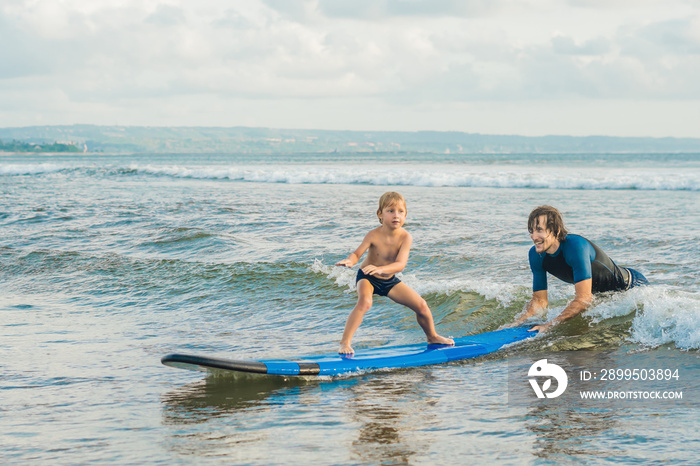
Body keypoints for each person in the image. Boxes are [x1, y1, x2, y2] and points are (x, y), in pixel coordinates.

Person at [335, 192, 454, 354]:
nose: (396, 215)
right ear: (380, 214)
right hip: (367, 277)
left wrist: (381, 269)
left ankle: (432, 336)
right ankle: (345, 343)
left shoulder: (406, 237)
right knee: (365, 303)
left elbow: (400, 264)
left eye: (400, 211)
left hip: (388, 279)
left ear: (405, 214)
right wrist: (350, 261)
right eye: (390, 211)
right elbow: (357, 254)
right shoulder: (373, 234)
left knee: (422, 306)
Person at [511, 205, 648, 333]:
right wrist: (518, 322)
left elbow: (584, 299)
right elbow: (539, 301)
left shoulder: (576, 246)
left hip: (631, 287)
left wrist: (550, 324)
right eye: (531, 231)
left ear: (556, 230)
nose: (534, 237)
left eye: (539, 230)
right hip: (604, 296)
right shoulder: (536, 255)